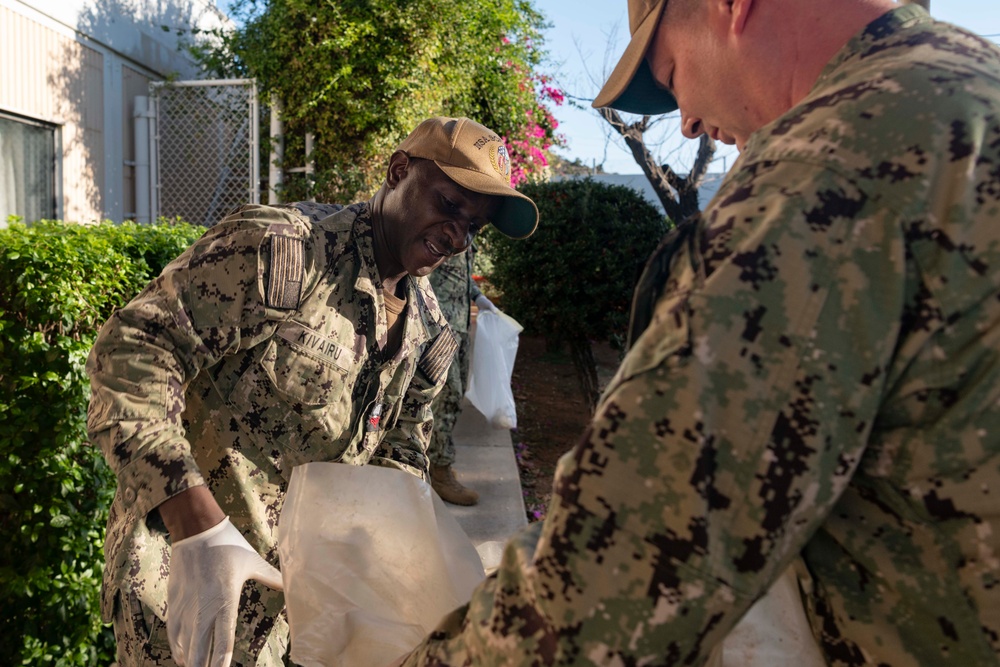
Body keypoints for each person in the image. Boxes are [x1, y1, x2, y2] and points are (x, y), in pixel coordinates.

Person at [396, 1, 1000, 665]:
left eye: (673, 70)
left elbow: (628, 560)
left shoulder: (831, 166)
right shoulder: (969, 90)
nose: (685, 121)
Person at [86, 115, 538, 667]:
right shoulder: (286, 254)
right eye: (448, 204)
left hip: (295, 622)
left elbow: (400, 458)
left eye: (474, 227)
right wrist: (196, 525)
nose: (457, 235)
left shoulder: (430, 336)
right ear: (398, 171)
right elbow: (134, 349)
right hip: (182, 584)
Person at [426, 245, 496, 505]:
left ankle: (435, 461)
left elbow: (460, 277)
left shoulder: (467, 230)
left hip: (460, 325)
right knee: (447, 397)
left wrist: (478, 298)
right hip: (440, 327)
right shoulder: (446, 225)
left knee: (455, 398)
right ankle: (440, 472)